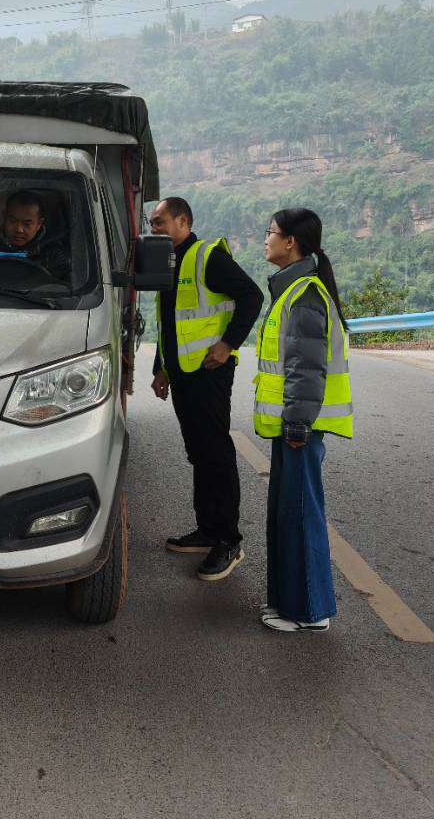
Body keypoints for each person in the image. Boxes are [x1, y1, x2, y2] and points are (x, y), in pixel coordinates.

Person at [149, 197, 263, 581]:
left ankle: (228, 541)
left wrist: (228, 344)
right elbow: (168, 321)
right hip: (182, 372)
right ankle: (207, 530)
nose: (154, 229)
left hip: (210, 370)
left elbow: (252, 296)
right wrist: (161, 368)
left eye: (160, 222)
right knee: (198, 452)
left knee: (215, 453)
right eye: (151, 223)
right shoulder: (166, 260)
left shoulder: (206, 256)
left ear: (183, 220)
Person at [255, 208, 353, 633]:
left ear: (290, 242)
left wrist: (296, 424)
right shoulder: (293, 289)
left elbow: (306, 368)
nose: (266, 239)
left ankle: (310, 612)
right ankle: (290, 603)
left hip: (300, 427)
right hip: (293, 425)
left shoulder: (304, 294)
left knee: (299, 514)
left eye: (270, 232)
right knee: (288, 513)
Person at [0, 190, 69, 280]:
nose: (19, 230)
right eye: (13, 221)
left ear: (39, 224)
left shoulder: (54, 255)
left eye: (27, 224)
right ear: (4, 217)